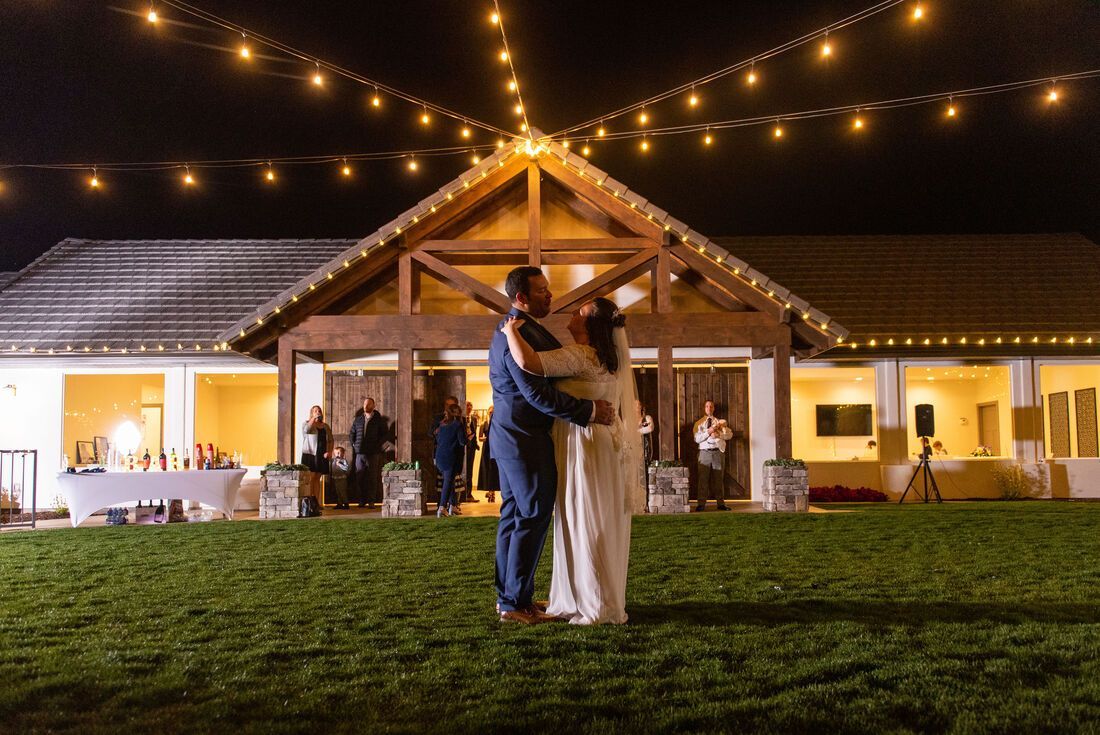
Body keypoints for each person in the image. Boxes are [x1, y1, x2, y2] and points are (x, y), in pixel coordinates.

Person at [502, 295, 642, 625]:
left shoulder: (581, 355)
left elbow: (530, 364)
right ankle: (585, 595)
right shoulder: (604, 358)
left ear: (591, 325)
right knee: (590, 517)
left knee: (585, 517)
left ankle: (594, 602)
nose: (573, 315)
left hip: (585, 444)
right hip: (598, 441)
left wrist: (510, 332)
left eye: (580, 313)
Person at [489, 266, 616, 625]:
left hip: (516, 436)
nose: (550, 295)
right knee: (531, 514)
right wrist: (587, 410)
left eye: (548, 288)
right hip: (523, 437)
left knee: (516, 516)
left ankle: (512, 598)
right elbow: (534, 392)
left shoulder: (525, 329)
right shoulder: (514, 333)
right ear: (521, 298)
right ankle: (513, 603)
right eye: (542, 291)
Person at [692, 400, 733, 512]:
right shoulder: (699, 423)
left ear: (713, 408)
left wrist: (719, 434)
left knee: (718, 479)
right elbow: (697, 439)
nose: (709, 408)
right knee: (703, 479)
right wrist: (709, 432)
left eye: (711, 406)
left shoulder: (719, 422)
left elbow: (730, 434)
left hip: (717, 453)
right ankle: (701, 504)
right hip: (704, 453)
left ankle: (721, 504)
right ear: (704, 408)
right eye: (707, 406)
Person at [349, 397, 386, 508]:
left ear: (373, 406)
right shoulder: (358, 419)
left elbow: (384, 435)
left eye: (368, 404)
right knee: (359, 477)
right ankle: (361, 500)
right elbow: (352, 433)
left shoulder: (378, 420)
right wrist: (354, 445)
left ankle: (371, 501)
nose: (366, 406)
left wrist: (377, 445)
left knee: (372, 478)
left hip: (373, 453)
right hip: (360, 453)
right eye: (365, 404)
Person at [434, 403, 466, 517]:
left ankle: (453, 506)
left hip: (439, 457)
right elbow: (462, 442)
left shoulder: (441, 425)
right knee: (447, 483)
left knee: (450, 481)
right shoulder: (457, 425)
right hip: (450, 457)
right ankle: (442, 507)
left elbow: (438, 439)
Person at [301, 405, 331, 497]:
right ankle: (310, 501)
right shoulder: (306, 423)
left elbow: (330, 440)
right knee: (311, 477)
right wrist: (313, 419)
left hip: (321, 454)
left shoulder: (325, 426)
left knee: (317, 478)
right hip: (310, 454)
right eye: (315, 411)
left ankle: (317, 502)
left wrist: (329, 451)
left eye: (319, 411)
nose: (318, 412)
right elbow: (307, 430)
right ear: (312, 413)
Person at [478, 406, 500, 503]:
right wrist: (488, 439)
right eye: (490, 412)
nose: (492, 414)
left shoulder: (497, 423)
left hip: (495, 447)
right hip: (487, 448)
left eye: (493, 412)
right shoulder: (484, 424)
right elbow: (480, 438)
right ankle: (490, 490)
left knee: (495, 468)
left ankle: (493, 491)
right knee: (487, 468)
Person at [637, 400, 655, 512]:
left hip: (645, 451)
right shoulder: (629, 419)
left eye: (638, 404)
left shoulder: (647, 418)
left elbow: (650, 428)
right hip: (633, 451)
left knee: (646, 478)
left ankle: (646, 504)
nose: (636, 406)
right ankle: (637, 503)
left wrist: (636, 431)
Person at [463, 401, 481, 503]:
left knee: (470, 471)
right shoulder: (461, 419)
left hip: (472, 448)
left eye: (471, 406)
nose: (469, 407)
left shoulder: (473, 419)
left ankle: (469, 494)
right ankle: (462, 495)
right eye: (467, 406)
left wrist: (476, 444)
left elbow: (474, 433)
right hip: (463, 447)